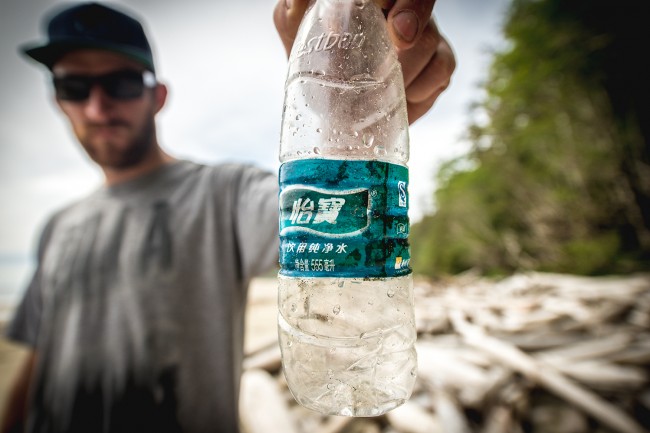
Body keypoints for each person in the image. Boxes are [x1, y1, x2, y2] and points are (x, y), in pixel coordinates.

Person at [1, 1, 455, 432]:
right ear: (58, 100)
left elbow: (328, 215)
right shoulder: (57, 227)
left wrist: (341, 109)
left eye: (119, 84)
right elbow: (40, 354)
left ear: (156, 96)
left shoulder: (224, 194)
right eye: (74, 87)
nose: (97, 108)